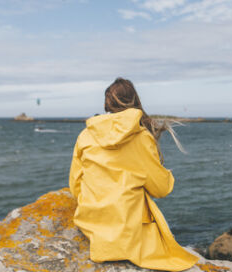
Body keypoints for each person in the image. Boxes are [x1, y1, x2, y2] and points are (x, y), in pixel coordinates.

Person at [69, 78, 198, 271]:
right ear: (135, 100)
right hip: (128, 234)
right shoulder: (141, 137)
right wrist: (166, 175)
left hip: (92, 226)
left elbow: (75, 186)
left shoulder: (85, 135)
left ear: (107, 104)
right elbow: (161, 189)